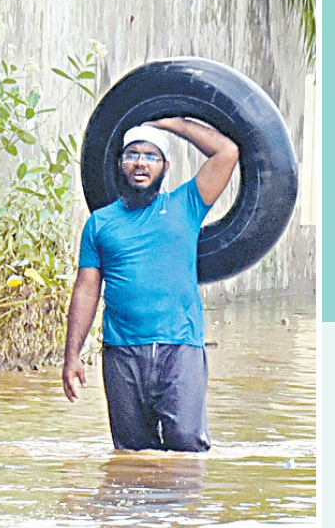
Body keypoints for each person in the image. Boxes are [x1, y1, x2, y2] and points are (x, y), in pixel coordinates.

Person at [62, 117, 239, 451]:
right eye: (132, 154)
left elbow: (226, 152)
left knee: (186, 444)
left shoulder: (185, 204)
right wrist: (72, 356)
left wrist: (174, 123)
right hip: (122, 351)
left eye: (151, 155)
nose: (140, 162)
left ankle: (180, 504)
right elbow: (86, 289)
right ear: (120, 164)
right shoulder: (100, 223)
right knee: (131, 452)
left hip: (180, 346)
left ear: (165, 166)